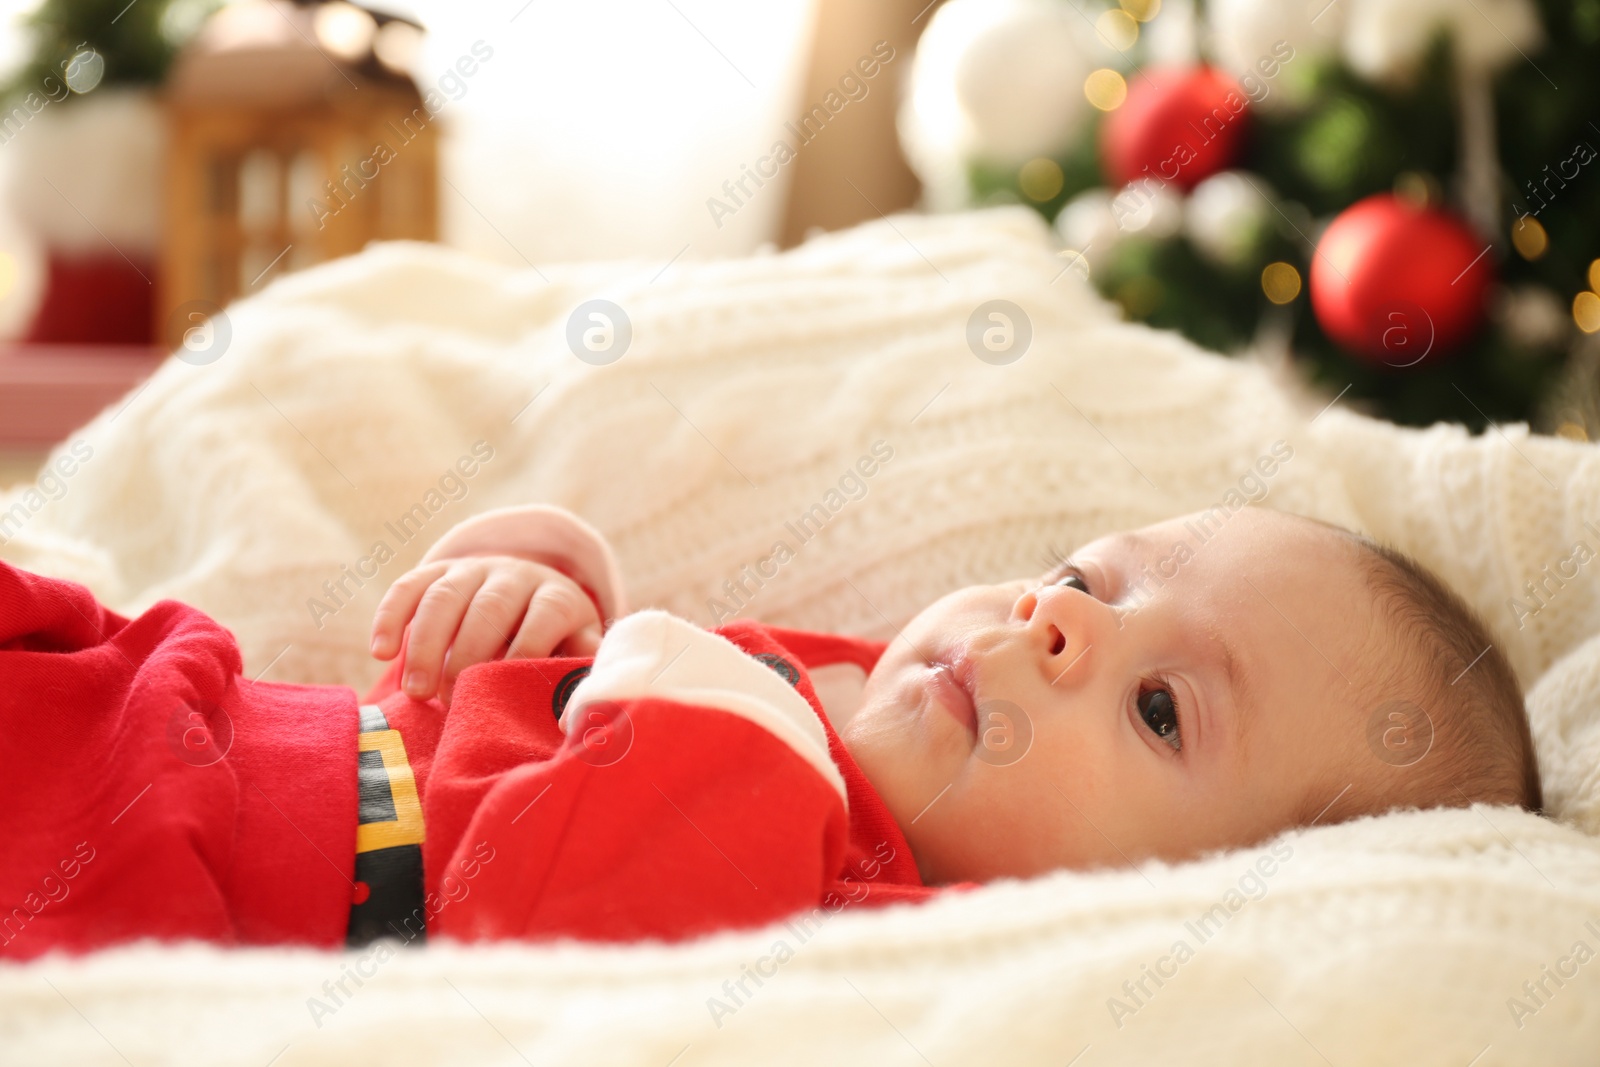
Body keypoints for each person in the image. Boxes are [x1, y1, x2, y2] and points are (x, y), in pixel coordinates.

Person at [0, 502, 1539, 960]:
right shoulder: (866, 696)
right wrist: (538, 580)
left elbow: (542, 930)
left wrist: (685, 708)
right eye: (1084, 581)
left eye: (1158, 706)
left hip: (140, 872)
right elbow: (534, 684)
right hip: (158, 692)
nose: (1054, 622)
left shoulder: (871, 934)